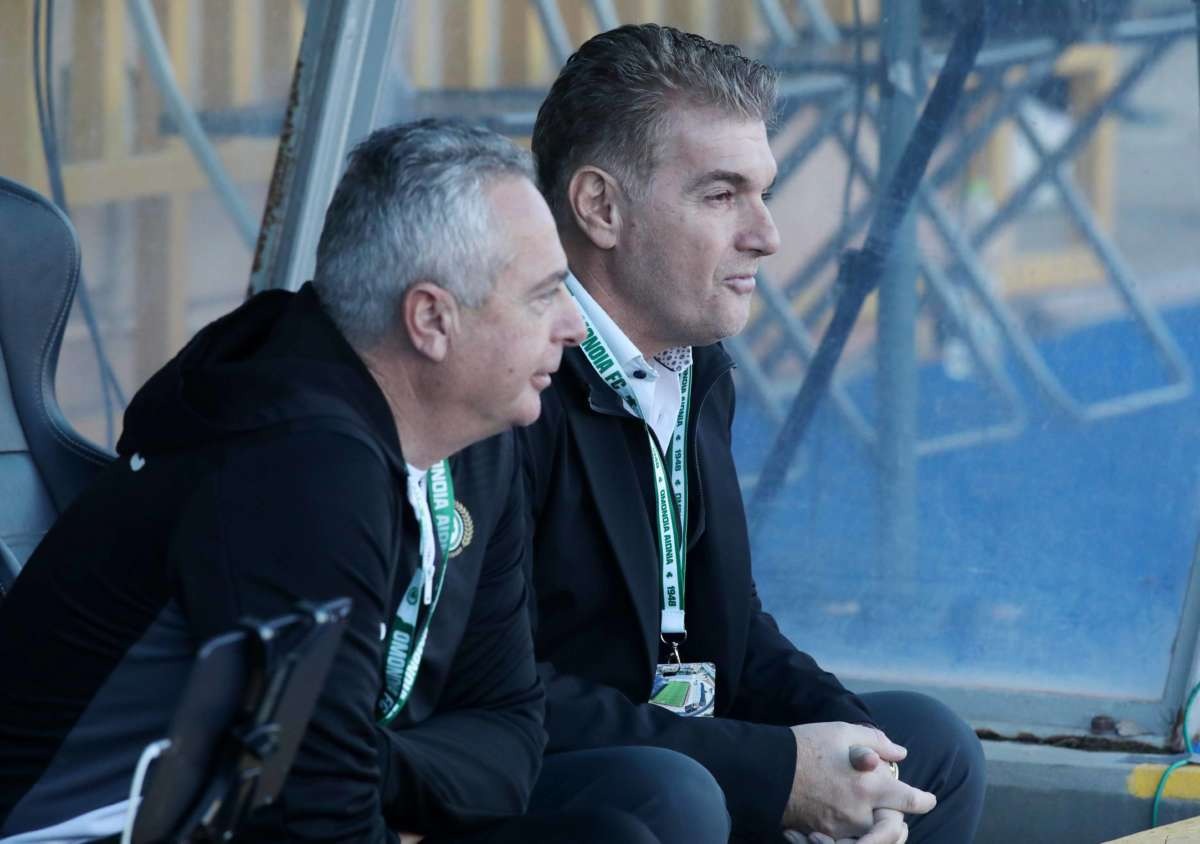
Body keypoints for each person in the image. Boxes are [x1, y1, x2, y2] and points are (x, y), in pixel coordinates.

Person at [0, 119, 662, 843]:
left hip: (274, 807)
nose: (573, 323)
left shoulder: (472, 435)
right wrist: (362, 780)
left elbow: (510, 732)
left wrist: (366, 766)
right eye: (543, 295)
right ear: (431, 319)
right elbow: (316, 824)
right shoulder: (299, 465)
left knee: (656, 797)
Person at [520, 24, 987, 843]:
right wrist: (773, 771)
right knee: (674, 796)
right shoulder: (512, 379)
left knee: (929, 749)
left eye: (763, 192)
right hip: (566, 771)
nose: (766, 234)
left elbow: (731, 625)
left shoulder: (697, 367)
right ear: (601, 208)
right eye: (721, 195)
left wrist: (854, 752)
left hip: (682, 749)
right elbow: (500, 687)